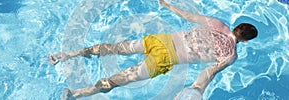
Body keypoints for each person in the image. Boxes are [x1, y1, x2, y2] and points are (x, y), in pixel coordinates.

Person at [48, 0, 258, 100]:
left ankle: (67, 55)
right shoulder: (230, 55)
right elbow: (208, 74)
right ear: (245, 41)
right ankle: (75, 94)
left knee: (113, 49)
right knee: (117, 81)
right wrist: (196, 90)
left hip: (161, 41)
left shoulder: (216, 23)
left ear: (236, 27)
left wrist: (166, 5)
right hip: (166, 59)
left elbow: (187, 16)